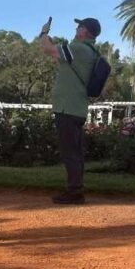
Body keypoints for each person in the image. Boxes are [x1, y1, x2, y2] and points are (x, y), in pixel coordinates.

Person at [39, 17, 102, 205]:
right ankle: (76, 188)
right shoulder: (88, 51)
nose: (76, 28)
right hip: (77, 107)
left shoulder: (79, 49)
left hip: (68, 107)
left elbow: (48, 49)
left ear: (86, 31)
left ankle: (74, 191)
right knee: (75, 151)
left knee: (70, 152)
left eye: (79, 26)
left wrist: (43, 33)